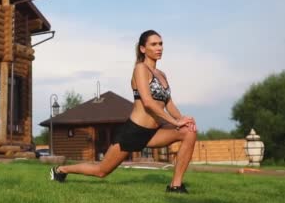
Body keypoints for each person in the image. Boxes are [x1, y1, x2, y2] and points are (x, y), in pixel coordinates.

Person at [50, 30, 197, 193]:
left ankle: (175, 186)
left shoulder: (162, 74)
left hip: (155, 131)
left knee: (189, 131)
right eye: (153, 44)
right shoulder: (140, 69)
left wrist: (183, 119)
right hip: (134, 131)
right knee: (101, 171)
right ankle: (61, 170)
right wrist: (175, 122)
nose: (159, 48)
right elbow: (147, 102)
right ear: (143, 49)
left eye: (160, 44)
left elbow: (168, 103)